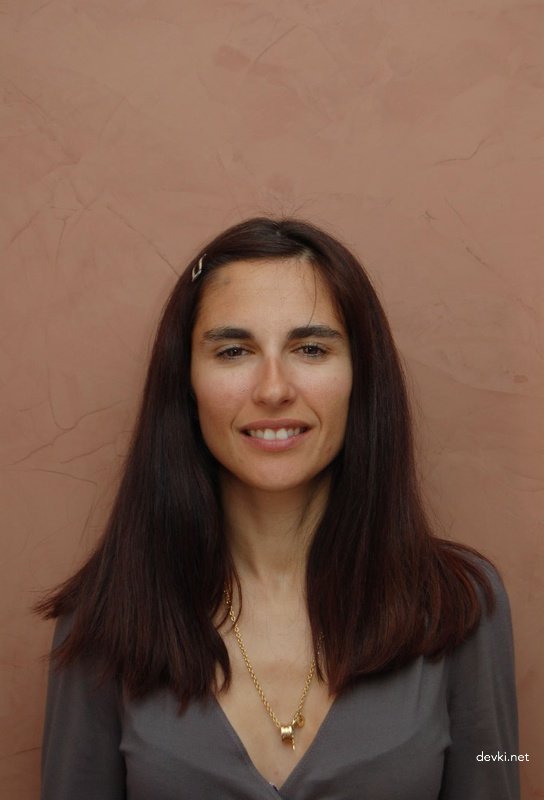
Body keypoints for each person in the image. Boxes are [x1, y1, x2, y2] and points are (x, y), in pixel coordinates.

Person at [36, 216, 519, 799]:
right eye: (234, 350)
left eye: (310, 348)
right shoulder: (103, 617)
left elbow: (496, 767)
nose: (272, 389)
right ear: (186, 382)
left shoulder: (462, 606)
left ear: (360, 377)